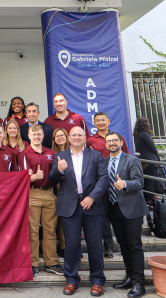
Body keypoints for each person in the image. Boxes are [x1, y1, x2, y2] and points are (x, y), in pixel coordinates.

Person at [49, 127, 109, 296]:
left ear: (85, 138)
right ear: (69, 138)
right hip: (70, 207)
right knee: (71, 246)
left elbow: (103, 179)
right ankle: (71, 280)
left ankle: (97, 280)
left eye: (79, 135)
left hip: (92, 205)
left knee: (95, 245)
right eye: (73, 135)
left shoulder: (95, 155)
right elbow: (52, 179)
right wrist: (59, 170)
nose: (76, 137)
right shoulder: (59, 157)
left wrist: (92, 197)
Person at [105, 132, 148, 298]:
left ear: (121, 142)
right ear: (106, 144)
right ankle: (130, 277)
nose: (112, 143)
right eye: (109, 141)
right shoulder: (105, 162)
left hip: (132, 209)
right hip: (114, 209)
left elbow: (139, 182)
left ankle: (139, 283)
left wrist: (125, 184)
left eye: (115, 140)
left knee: (134, 245)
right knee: (123, 245)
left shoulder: (131, 159)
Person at [19, 124, 63, 278]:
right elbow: (21, 179)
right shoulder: (24, 154)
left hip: (50, 193)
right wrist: (32, 178)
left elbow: (56, 175)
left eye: (39, 134)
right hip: (32, 194)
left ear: (43, 135)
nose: (36, 137)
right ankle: (32, 264)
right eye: (33, 134)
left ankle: (51, 263)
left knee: (50, 229)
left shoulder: (51, 153)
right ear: (29, 136)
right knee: (32, 231)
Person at [86, 111, 130, 259]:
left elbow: (127, 157)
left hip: (117, 180)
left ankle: (125, 242)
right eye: (97, 121)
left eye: (103, 120)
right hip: (99, 180)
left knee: (119, 211)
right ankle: (108, 246)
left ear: (108, 121)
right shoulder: (90, 140)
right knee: (104, 214)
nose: (100, 123)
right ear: (94, 123)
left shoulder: (118, 138)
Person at [51, 127, 70, 257]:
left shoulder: (72, 152)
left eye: (62, 135)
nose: (60, 138)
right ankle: (62, 246)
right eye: (57, 136)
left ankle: (69, 246)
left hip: (71, 190)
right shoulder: (51, 153)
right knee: (59, 220)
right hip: (55, 191)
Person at [133, 117, 160, 202]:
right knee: (151, 183)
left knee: (146, 182)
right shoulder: (144, 134)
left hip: (143, 161)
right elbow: (153, 148)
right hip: (150, 161)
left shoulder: (137, 135)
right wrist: (158, 160)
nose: (149, 124)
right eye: (148, 123)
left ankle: (147, 201)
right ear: (144, 124)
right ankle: (152, 202)